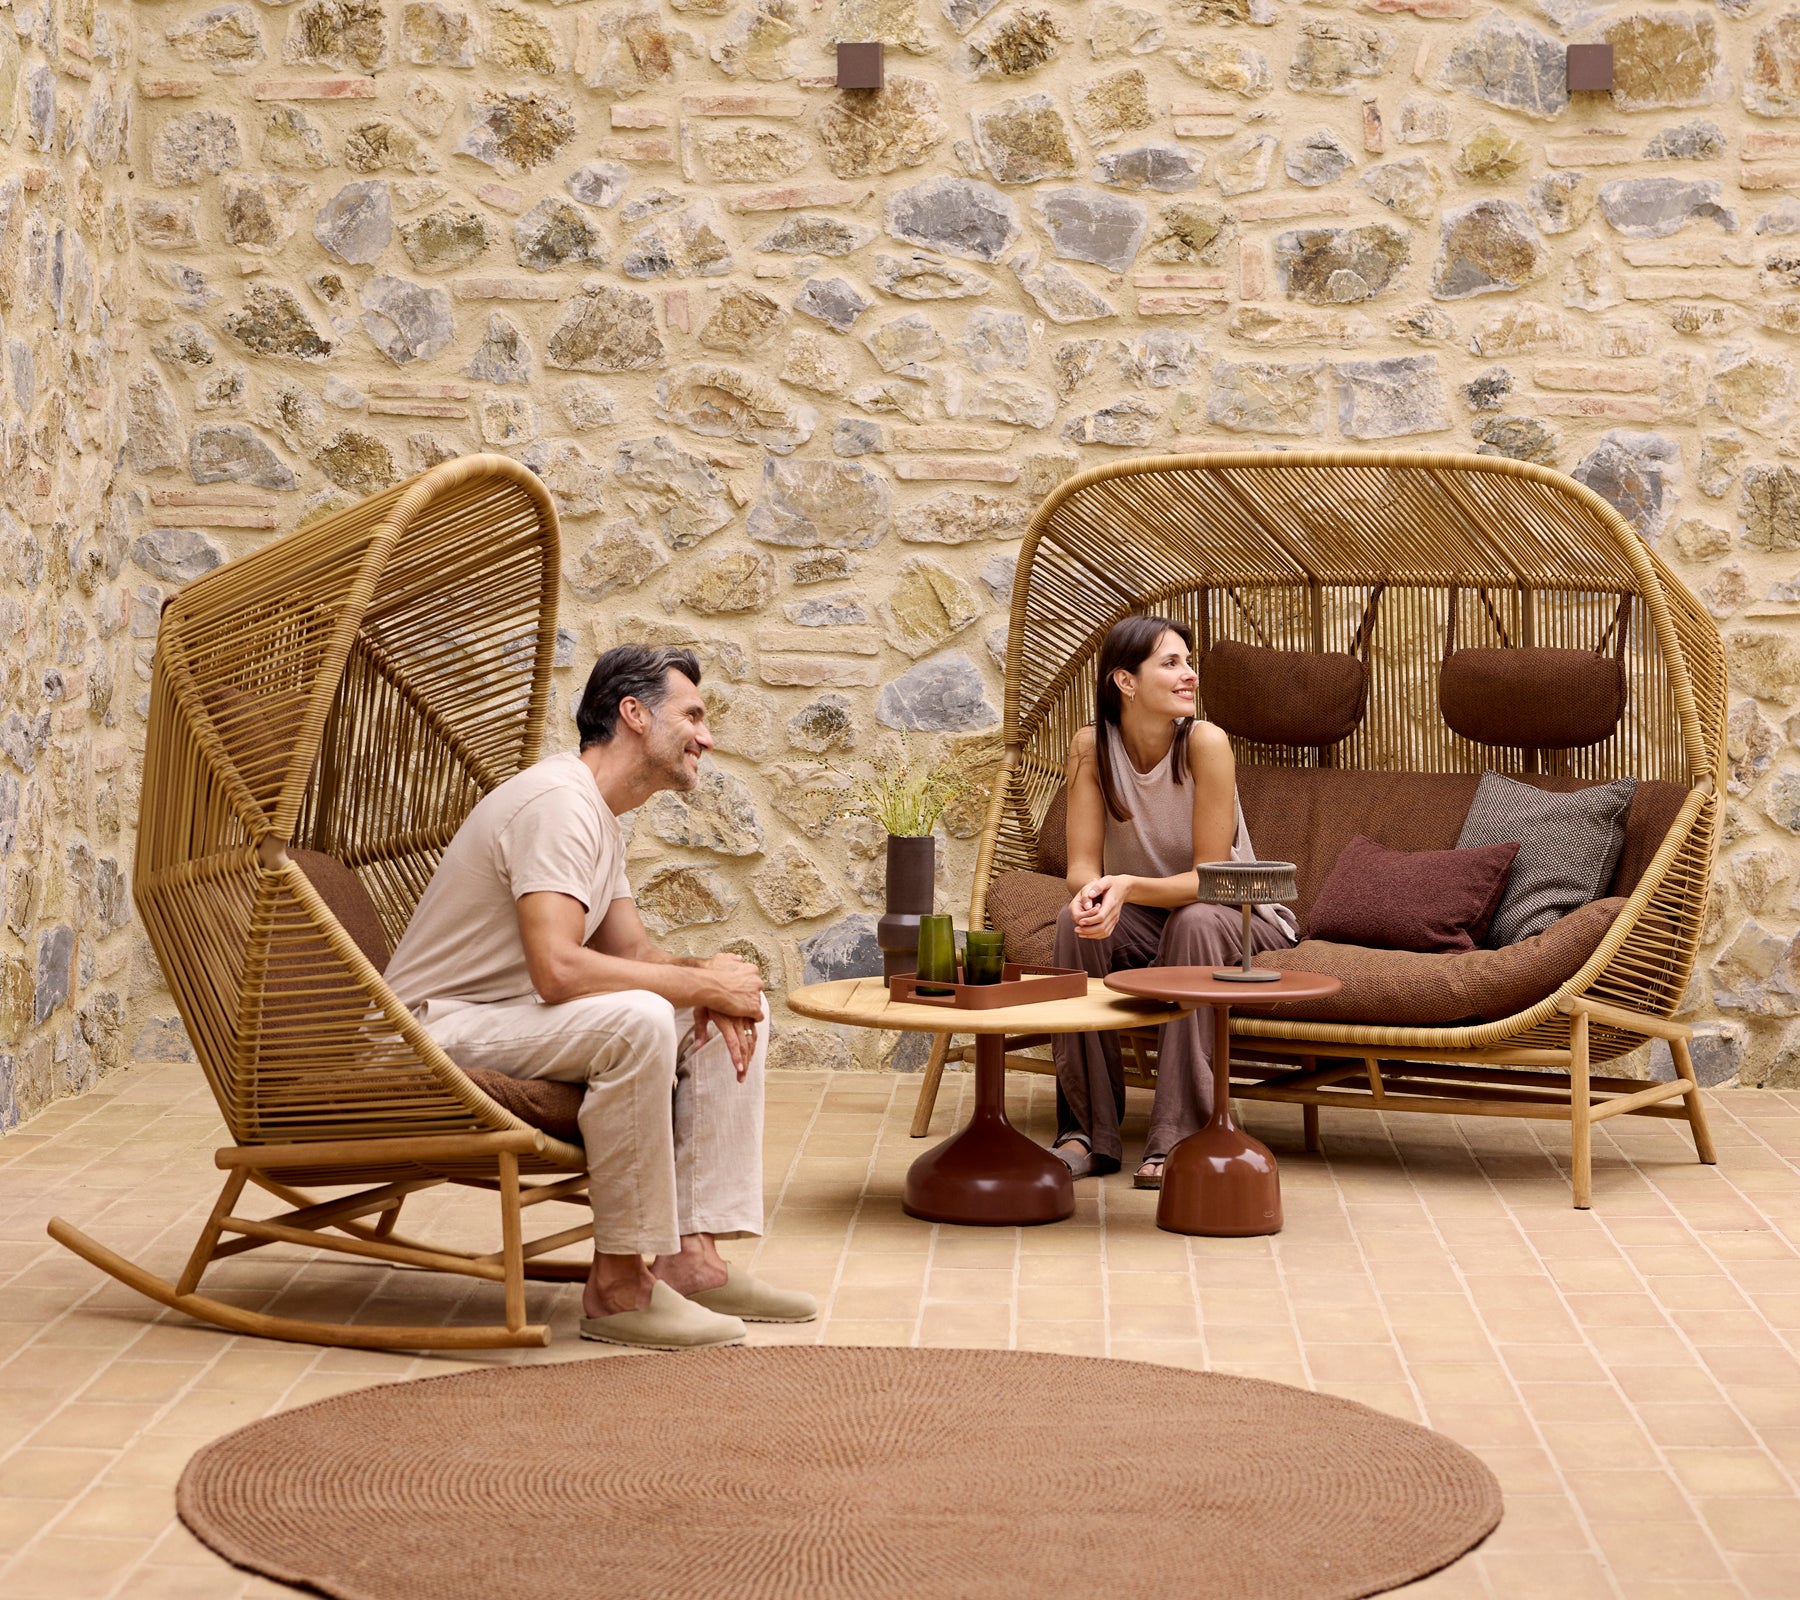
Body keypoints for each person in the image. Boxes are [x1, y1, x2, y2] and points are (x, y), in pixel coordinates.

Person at [381, 644, 815, 1351]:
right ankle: (617, 1286)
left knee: (728, 1016)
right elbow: (556, 969)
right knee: (640, 1018)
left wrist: (713, 981)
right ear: (634, 714)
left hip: (510, 1021)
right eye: (693, 716)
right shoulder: (558, 804)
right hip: (433, 1031)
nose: (707, 737)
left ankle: (692, 1260)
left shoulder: (598, 815)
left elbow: (633, 953)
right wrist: (697, 983)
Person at [1051, 615, 1297, 1188]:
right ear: (1126, 681)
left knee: (1193, 921)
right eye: (1171, 663)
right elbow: (1081, 864)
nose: (1190, 675)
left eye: (1189, 662)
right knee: (1072, 923)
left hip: (1237, 915)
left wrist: (1127, 887)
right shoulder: (1091, 746)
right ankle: (1086, 1133)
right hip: (1151, 915)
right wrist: (1092, 895)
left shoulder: (1205, 742)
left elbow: (1212, 878)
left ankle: (1177, 1138)